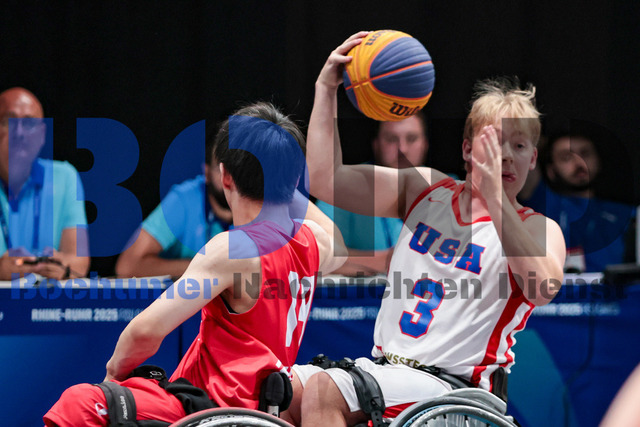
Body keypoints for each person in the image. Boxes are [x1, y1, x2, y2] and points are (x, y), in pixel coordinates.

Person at [286, 32, 566, 427]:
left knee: (324, 391)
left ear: (533, 158)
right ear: (467, 150)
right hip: (388, 374)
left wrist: (495, 198)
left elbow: (543, 288)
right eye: (495, 143)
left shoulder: (537, 227)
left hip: (458, 393)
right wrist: (326, 90)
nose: (506, 156)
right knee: (284, 391)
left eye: (518, 146)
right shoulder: (426, 190)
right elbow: (324, 179)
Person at [43, 102, 346, 426]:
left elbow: (144, 332)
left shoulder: (234, 248)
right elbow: (338, 244)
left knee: (80, 403)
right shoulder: (313, 241)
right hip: (264, 410)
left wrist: (112, 375)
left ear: (224, 176)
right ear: (295, 178)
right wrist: (282, 177)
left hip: (214, 408)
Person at [315, 113, 429, 276]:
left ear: (425, 144)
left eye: (411, 139)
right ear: (376, 144)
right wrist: (385, 260)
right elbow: (314, 253)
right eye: (391, 139)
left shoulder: (447, 191)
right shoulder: (345, 188)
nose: (402, 149)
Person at [115, 127, 233, 278]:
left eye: (237, 170)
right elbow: (127, 267)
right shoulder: (184, 199)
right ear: (206, 172)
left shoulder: (256, 200)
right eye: (221, 170)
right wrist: (205, 268)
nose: (230, 179)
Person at [519, 124, 636, 273]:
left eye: (585, 154)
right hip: (558, 288)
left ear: (598, 160)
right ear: (551, 170)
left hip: (618, 288)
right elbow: (521, 148)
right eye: (566, 157)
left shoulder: (626, 213)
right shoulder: (544, 202)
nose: (579, 163)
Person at [0, 87, 89, 280]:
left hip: (47, 296)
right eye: (8, 121)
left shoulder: (64, 177)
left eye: (29, 123)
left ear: (41, 135)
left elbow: (79, 262)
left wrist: (62, 268)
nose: (19, 132)